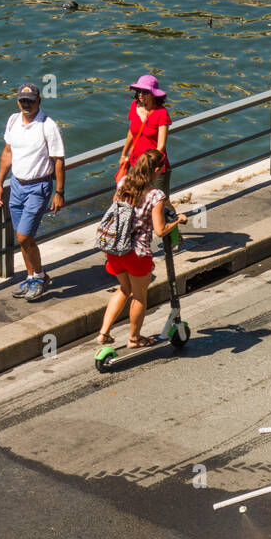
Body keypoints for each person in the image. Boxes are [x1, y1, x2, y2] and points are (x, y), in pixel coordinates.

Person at [97, 150, 187, 348]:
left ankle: (104, 333)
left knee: (123, 289)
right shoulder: (156, 195)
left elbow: (115, 207)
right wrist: (178, 220)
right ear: (156, 170)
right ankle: (134, 338)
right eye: (160, 170)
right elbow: (160, 229)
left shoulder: (123, 183)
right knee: (139, 296)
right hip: (136, 253)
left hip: (114, 249)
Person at [0, 83, 65, 302]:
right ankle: (31, 277)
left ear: (38, 102)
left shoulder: (48, 126)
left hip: (39, 187)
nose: (26, 104)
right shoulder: (13, 121)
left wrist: (59, 192)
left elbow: (58, 161)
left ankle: (40, 277)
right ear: (18, 102)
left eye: (30, 101)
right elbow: (7, 153)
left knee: (24, 235)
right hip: (16, 185)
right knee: (22, 238)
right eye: (23, 101)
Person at [118, 74, 172, 197]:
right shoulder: (134, 106)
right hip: (135, 162)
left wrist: (151, 166)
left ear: (153, 94)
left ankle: (174, 217)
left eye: (145, 91)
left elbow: (161, 145)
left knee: (161, 201)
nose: (140, 94)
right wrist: (123, 154)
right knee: (132, 196)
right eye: (138, 91)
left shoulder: (161, 113)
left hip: (155, 165)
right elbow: (132, 132)